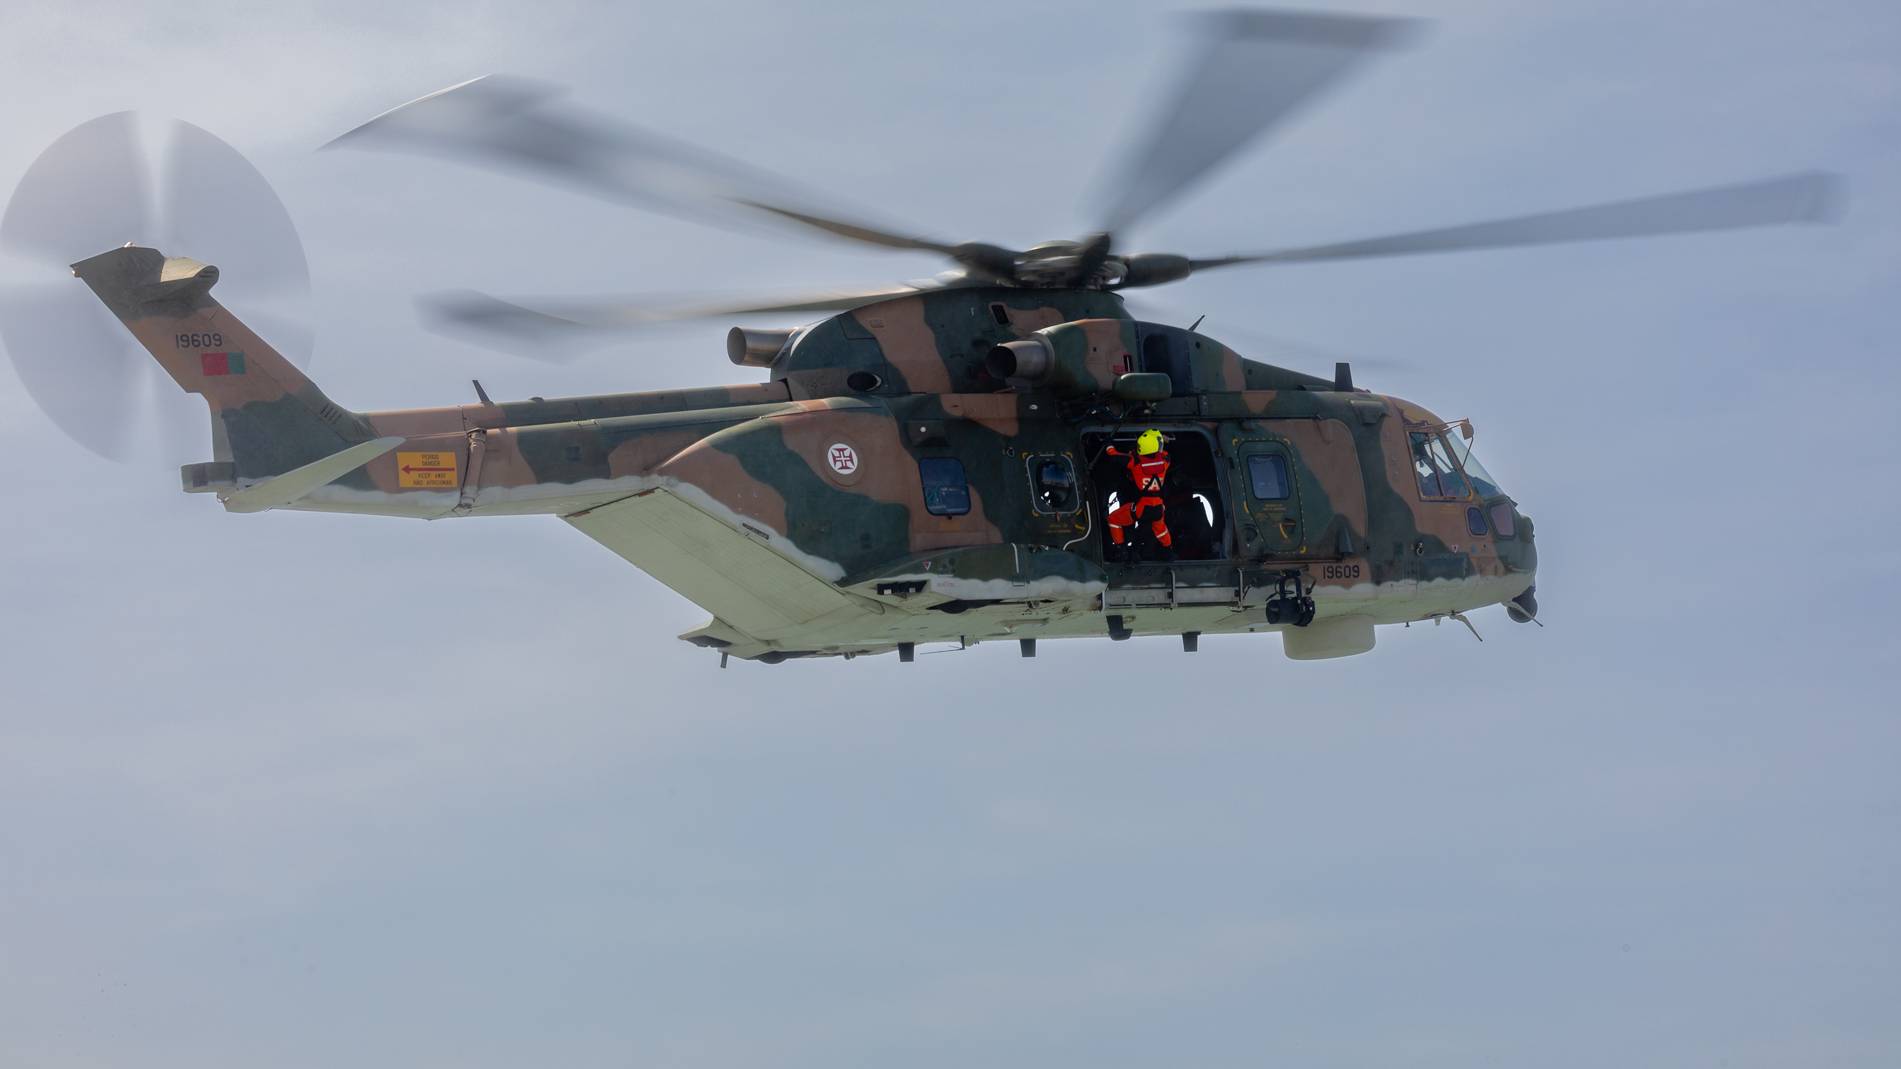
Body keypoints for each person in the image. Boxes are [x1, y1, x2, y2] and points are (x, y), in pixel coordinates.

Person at [1104, 429, 1173, 558]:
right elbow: (1161, 452)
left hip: (1141, 509)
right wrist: (1160, 439)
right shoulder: (1165, 461)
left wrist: (1109, 443)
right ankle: (1168, 550)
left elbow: (1112, 454)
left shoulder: (1134, 462)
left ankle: (1121, 549)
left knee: (1113, 519)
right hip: (1158, 507)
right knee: (1161, 530)